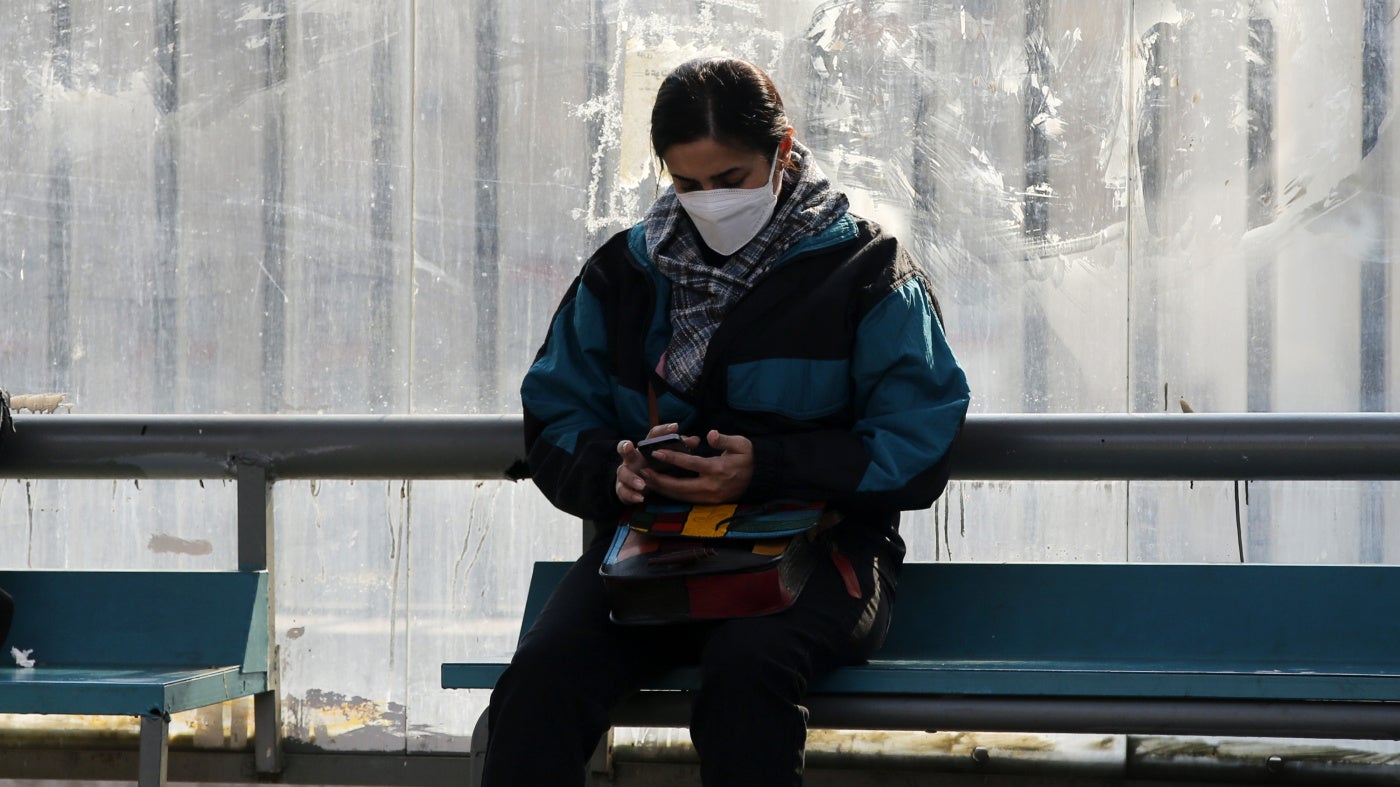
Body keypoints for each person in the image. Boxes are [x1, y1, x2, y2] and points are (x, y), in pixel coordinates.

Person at [483, 56, 970, 786]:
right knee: (541, 681)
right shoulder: (623, 273)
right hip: (657, 548)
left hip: (821, 554)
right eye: (687, 184)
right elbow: (556, 409)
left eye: (730, 179)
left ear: (783, 152)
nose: (709, 201)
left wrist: (767, 467)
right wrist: (612, 473)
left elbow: (918, 441)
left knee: (748, 676)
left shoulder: (868, 272)